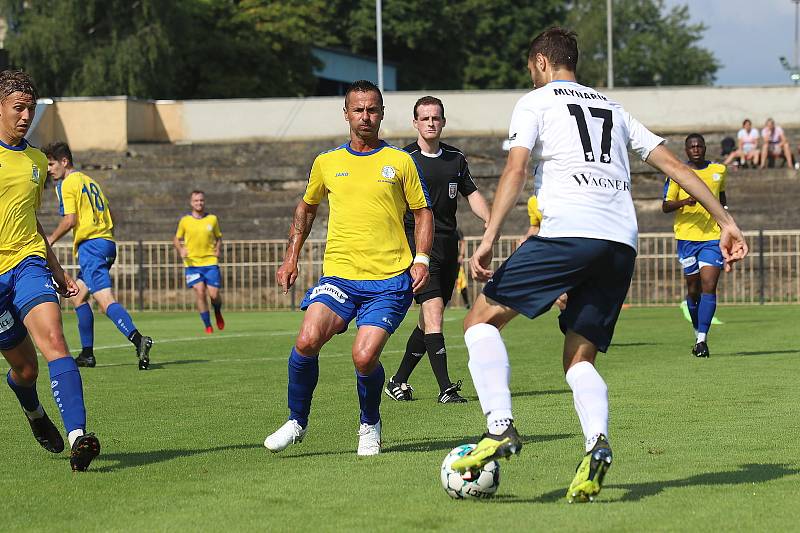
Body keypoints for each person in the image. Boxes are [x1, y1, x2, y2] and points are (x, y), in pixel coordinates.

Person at [449, 28, 748, 503]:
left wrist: (489, 236)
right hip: (619, 243)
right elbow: (674, 166)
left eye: (531, 70)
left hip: (570, 231)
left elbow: (516, 170)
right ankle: (596, 444)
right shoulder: (613, 107)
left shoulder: (537, 101)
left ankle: (499, 426)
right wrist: (726, 220)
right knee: (578, 356)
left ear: (542, 63)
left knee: (478, 320)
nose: (532, 77)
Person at [263, 80, 433, 456]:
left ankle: (369, 424)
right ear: (346, 113)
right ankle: (296, 421)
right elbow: (306, 208)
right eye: (358, 109)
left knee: (364, 356)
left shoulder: (400, 161)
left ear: (382, 113)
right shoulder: (327, 162)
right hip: (339, 275)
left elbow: (423, 212)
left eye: (372, 109)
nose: (365, 116)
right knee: (307, 340)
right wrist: (291, 256)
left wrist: (421, 258)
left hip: (390, 279)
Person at [0, 70, 102, 471]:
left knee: (55, 341)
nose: (26, 116)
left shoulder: (38, 161)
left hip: (28, 264)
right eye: (18, 108)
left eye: (30, 109)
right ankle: (34, 413)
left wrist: (57, 270)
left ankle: (79, 437)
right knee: (24, 369)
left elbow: (32, 221)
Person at [385, 96, 490, 405]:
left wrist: (491, 222)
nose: (431, 122)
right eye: (425, 118)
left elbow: (473, 195)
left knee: (430, 317)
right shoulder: (404, 158)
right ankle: (446, 388)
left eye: (436, 118)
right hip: (419, 247)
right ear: (415, 123)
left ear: (443, 122)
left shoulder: (456, 159)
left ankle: (398, 380)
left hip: (448, 245)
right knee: (433, 315)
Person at [46, 142, 153, 370]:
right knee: (78, 296)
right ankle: (87, 354)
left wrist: (49, 240)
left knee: (105, 301)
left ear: (64, 161)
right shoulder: (91, 181)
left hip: (91, 246)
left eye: (51, 163)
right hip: (106, 242)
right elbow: (110, 212)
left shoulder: (67, 184)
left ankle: (138, 339)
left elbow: (70, 220)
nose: (49, 169)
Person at [662, 134, 727, 358]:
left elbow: (723, 200)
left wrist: (727, 227)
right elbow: (666, 205)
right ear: (687, 150)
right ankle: (696, 331)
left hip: (712, 237)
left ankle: (702, 340)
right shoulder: (678, 174)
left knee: (709, 285)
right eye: (692, 146)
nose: (696, 149)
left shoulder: (719, 170)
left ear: (705, 148)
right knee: (693, 289)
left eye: (700, 145)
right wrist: (685, 201)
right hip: (687, 238)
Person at [173, 191, 225, 334]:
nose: (199, 203)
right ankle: (208, 325)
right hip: (192, 264)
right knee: (200, 292)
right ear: (191, 203)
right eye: (196, 201)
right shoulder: (185, 221)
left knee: (214, 295)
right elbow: (176, 239)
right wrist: (181, 250)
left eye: (201, 200)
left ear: (204, 202)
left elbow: (218, 237)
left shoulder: (212, 219)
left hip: (210, 261)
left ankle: (218, 311)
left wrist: (218, 249)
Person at [455, 229, 471, 309]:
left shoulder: (456, 230)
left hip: (455, 260)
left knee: (461, 282)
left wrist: (461, 255)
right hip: (444, 259)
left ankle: (467, 303)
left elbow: (462, 242)